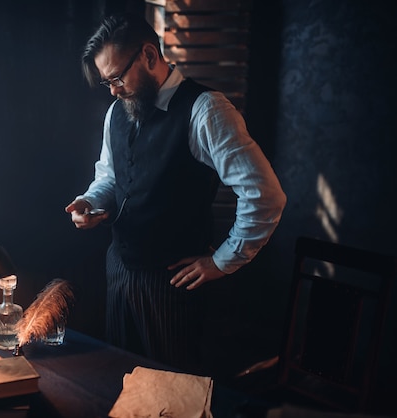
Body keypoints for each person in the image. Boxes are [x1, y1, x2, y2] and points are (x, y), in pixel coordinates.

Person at [64, 13, 286, 374]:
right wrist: (91, 202)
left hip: (172, 282)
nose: (114, 91)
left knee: (175, 390)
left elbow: (265, 195)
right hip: (119, 268)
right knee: (123, 380)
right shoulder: (115, 113)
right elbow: (109, 176)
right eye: (107, 83)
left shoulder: (207, 110)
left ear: (149, 55)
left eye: (117, 78)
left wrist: (222, 261)